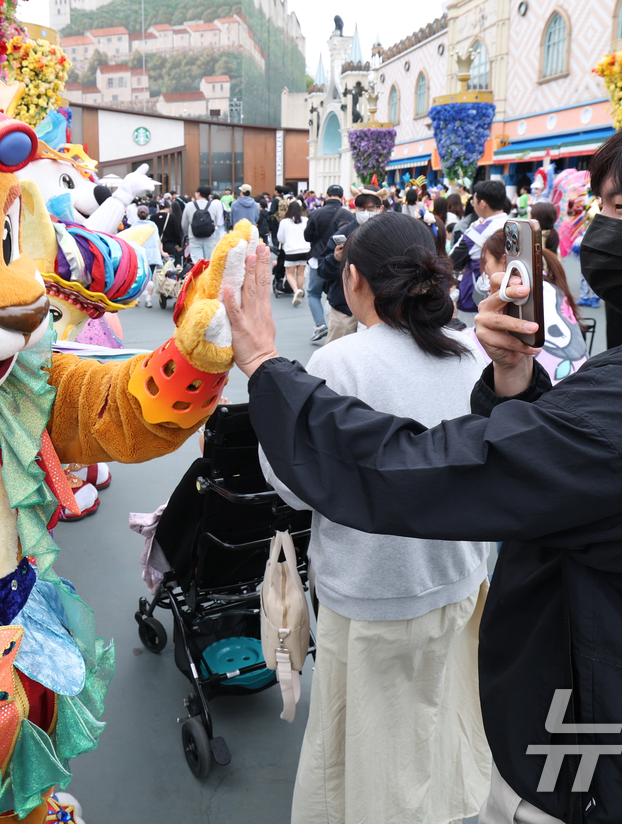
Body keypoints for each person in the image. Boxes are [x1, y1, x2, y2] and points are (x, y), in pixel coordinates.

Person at [223, 94, 622, 823]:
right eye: (599, 209)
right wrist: (513, 380)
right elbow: (581, 477)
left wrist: (263, 363)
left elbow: (412, 467)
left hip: (613, 772)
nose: (601, 232)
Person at [262, 212, 491, 823]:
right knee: (438, 722)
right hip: (460, 577)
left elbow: (290, 485)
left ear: (354, 278)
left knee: (356, 756)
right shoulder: (474, 351)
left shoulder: (341, 366)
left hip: (369, 592)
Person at [480, 229, 588, 381]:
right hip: (578, 380)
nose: (485, 268)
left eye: (486, 261)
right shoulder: (548, 286)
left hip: (550, 391)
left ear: (506, 263)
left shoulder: (522, 294)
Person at [316, 189, 383, 342]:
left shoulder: (390, 234)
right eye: (361, 208)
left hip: (379, 309)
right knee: (336, 355)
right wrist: (335, 258)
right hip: (344, 307)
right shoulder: (344, 232)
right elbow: (322, 269)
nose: (366, 212)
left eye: (371, 208)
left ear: (381, 209)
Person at [302, 185, 354, 343]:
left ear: (326, 195)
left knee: (313, 293)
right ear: (342, 196)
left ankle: (320, 324)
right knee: (338, 292)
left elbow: (307, 236)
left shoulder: (316, 213)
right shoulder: (349, 215)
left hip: (318, 259)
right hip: (341, 262)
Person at [452, 180, 510, 316]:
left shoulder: (476, 232)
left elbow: (452, 260)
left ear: (483, 204)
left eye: (474, 201)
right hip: (510, 296)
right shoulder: (514, 225)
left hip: (475, 299)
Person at [276, 200, 311, 304]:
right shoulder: (305, 220)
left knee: (290, 274)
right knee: (300, 273)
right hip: (305, 250)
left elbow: (280, 238)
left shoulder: (284, 222)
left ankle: (296, 291)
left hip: (291, 251)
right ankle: (299, 291)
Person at [182, 185, 226, 264]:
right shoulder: (214, 206)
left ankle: (200, 276)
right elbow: (215, 223)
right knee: (208, 263)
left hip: (194, 238)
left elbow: (184, 224)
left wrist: (189, 233)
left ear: (198, 194)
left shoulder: (189, 206)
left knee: (197, 264)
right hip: (210, 239)